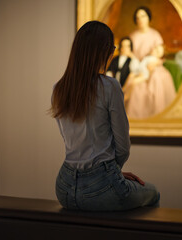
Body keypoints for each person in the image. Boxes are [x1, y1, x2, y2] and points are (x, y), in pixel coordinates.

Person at [50, 21, 160, 211]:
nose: (113, 53)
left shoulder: (58, 89)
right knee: (153, 192)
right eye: (112, 48)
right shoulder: (109, 87)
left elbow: (69, 140)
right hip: (101, 186)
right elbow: (123, 146)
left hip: (64, 187)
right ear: (103, 51)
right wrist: (110, 173)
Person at [125, 6, 176, 119]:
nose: (140, 19)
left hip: (154, 66)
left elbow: (160, 54)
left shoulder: (155, 35)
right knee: (135, 83)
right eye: (138, 17)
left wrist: (153, 64)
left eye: (143, 16)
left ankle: (158, 113)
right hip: (138, 66)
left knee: (156, 78)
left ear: (148, 18)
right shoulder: (132, 36)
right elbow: (130, 55)